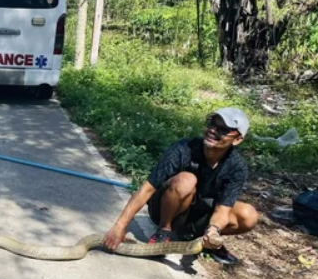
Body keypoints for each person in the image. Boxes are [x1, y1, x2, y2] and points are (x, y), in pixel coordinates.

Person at [103, 108, 260, 267]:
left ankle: (205, 241)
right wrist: (120, 226)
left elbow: (223, 210)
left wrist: (213, 230)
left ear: (237, 139)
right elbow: (147, 189)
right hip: (166, 209)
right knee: (187, 180)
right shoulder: (183, 148)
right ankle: (164, 231)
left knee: (248, 215)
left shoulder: (237, 167)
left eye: (223, 129)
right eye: (212, 124)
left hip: (198, 215)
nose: (212, 130)